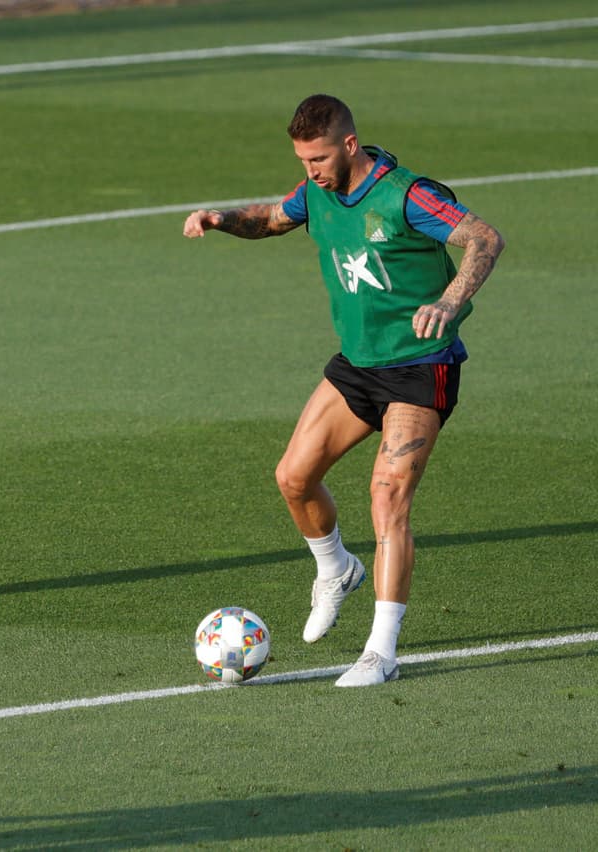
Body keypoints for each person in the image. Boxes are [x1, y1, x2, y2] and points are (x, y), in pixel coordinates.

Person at [182, 94, 504, 687]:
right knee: (293, 477)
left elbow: (484, 239)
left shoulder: (406, 193)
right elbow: (274, 217)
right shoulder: (316, 193)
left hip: (419, 365)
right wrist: (221, 218)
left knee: (387, 496)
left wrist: (449, 300)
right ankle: (336, 570)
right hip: (358, 365)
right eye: (304, 160)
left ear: (350, 144)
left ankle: (380, 651)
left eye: (321, 158)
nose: (313, 171)